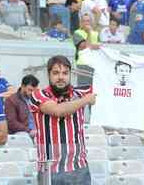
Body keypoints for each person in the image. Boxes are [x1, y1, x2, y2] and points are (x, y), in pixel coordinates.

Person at [30, 55, 96, 185]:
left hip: (79, 168)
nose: (61, 77)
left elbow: (110, 85)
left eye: (65, 73)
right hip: (50, 169)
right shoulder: (39, 95)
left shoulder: (81, 92)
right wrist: (86, 100)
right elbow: (58, 111)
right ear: (48, 74)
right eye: (56, 73)